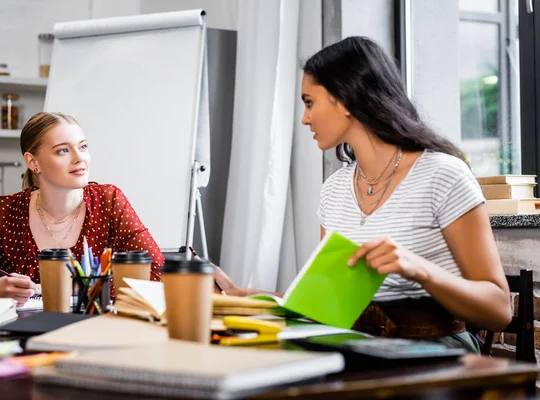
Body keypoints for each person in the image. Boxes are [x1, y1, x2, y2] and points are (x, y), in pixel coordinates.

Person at [213, 36, 511, 352]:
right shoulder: (334, 191)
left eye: (309, 101)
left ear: (344, 99)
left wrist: (419, 269)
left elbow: (499, 311)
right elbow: (332, 307)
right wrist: (251, 298)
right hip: (362, 349)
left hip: (439, 356)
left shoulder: (443, 175)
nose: (305, 118)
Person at [0, 112, 164, 306]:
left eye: (83, 147)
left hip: (94, 331)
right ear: (33, 162)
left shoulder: (109, 200)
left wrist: (78, 288)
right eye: (63, 151)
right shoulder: (0, 213)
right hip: (20, 338)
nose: (80, 159)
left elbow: (157, 273)